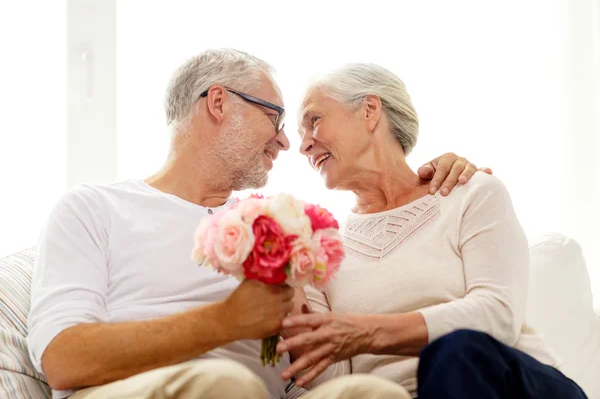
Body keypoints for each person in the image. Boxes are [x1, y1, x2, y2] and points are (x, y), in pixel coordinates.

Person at [27, 49, 483, 399]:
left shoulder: (277, 227)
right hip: (149, 389)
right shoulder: (94, 208)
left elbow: (312, 360)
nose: (286, 141)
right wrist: (226, 321)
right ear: (219, 102)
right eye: (274, 117)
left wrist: (445, 178)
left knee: (370, 394)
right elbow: (62, 359)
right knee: (223, 384)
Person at [277, 63, 588, 398]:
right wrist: (287, 275)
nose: (304, 146)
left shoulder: (470, 193)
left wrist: (366, 332)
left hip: (512, 385)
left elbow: (498, 314)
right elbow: (330, 383)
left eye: (314, 121)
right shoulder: (321, 247)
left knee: (455, 351)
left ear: (369, 111)